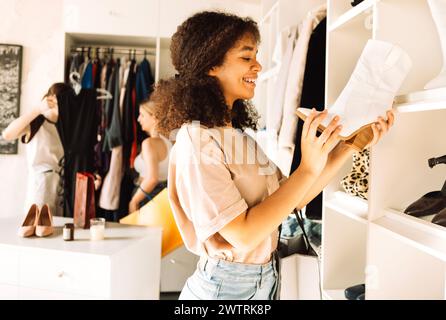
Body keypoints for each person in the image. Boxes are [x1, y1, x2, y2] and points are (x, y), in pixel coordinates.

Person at [152, 11, 394, 300]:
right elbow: (243, 234)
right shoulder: (197, 141)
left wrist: (349, 146)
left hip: (263, 282)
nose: (258, 65)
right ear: (211, 64)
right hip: (225, 290)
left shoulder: (236, 136)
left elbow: (293, 199)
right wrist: (306, 167)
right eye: (246, 57)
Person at [2, 83, 72, 217]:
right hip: (40, 186)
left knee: (58, 232)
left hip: (60, 188)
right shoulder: (37, 122)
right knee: (38, 230)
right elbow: (7, 135)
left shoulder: (64, 127)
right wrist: (38, 109)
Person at [128, 98, 173, 213]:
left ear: (154, 118)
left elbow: (152, 178)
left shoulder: (149, 143)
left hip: (146, 197)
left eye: (142, 115)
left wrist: (134, 201)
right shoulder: (169, 141)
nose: (138, 119)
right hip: (162, 197)